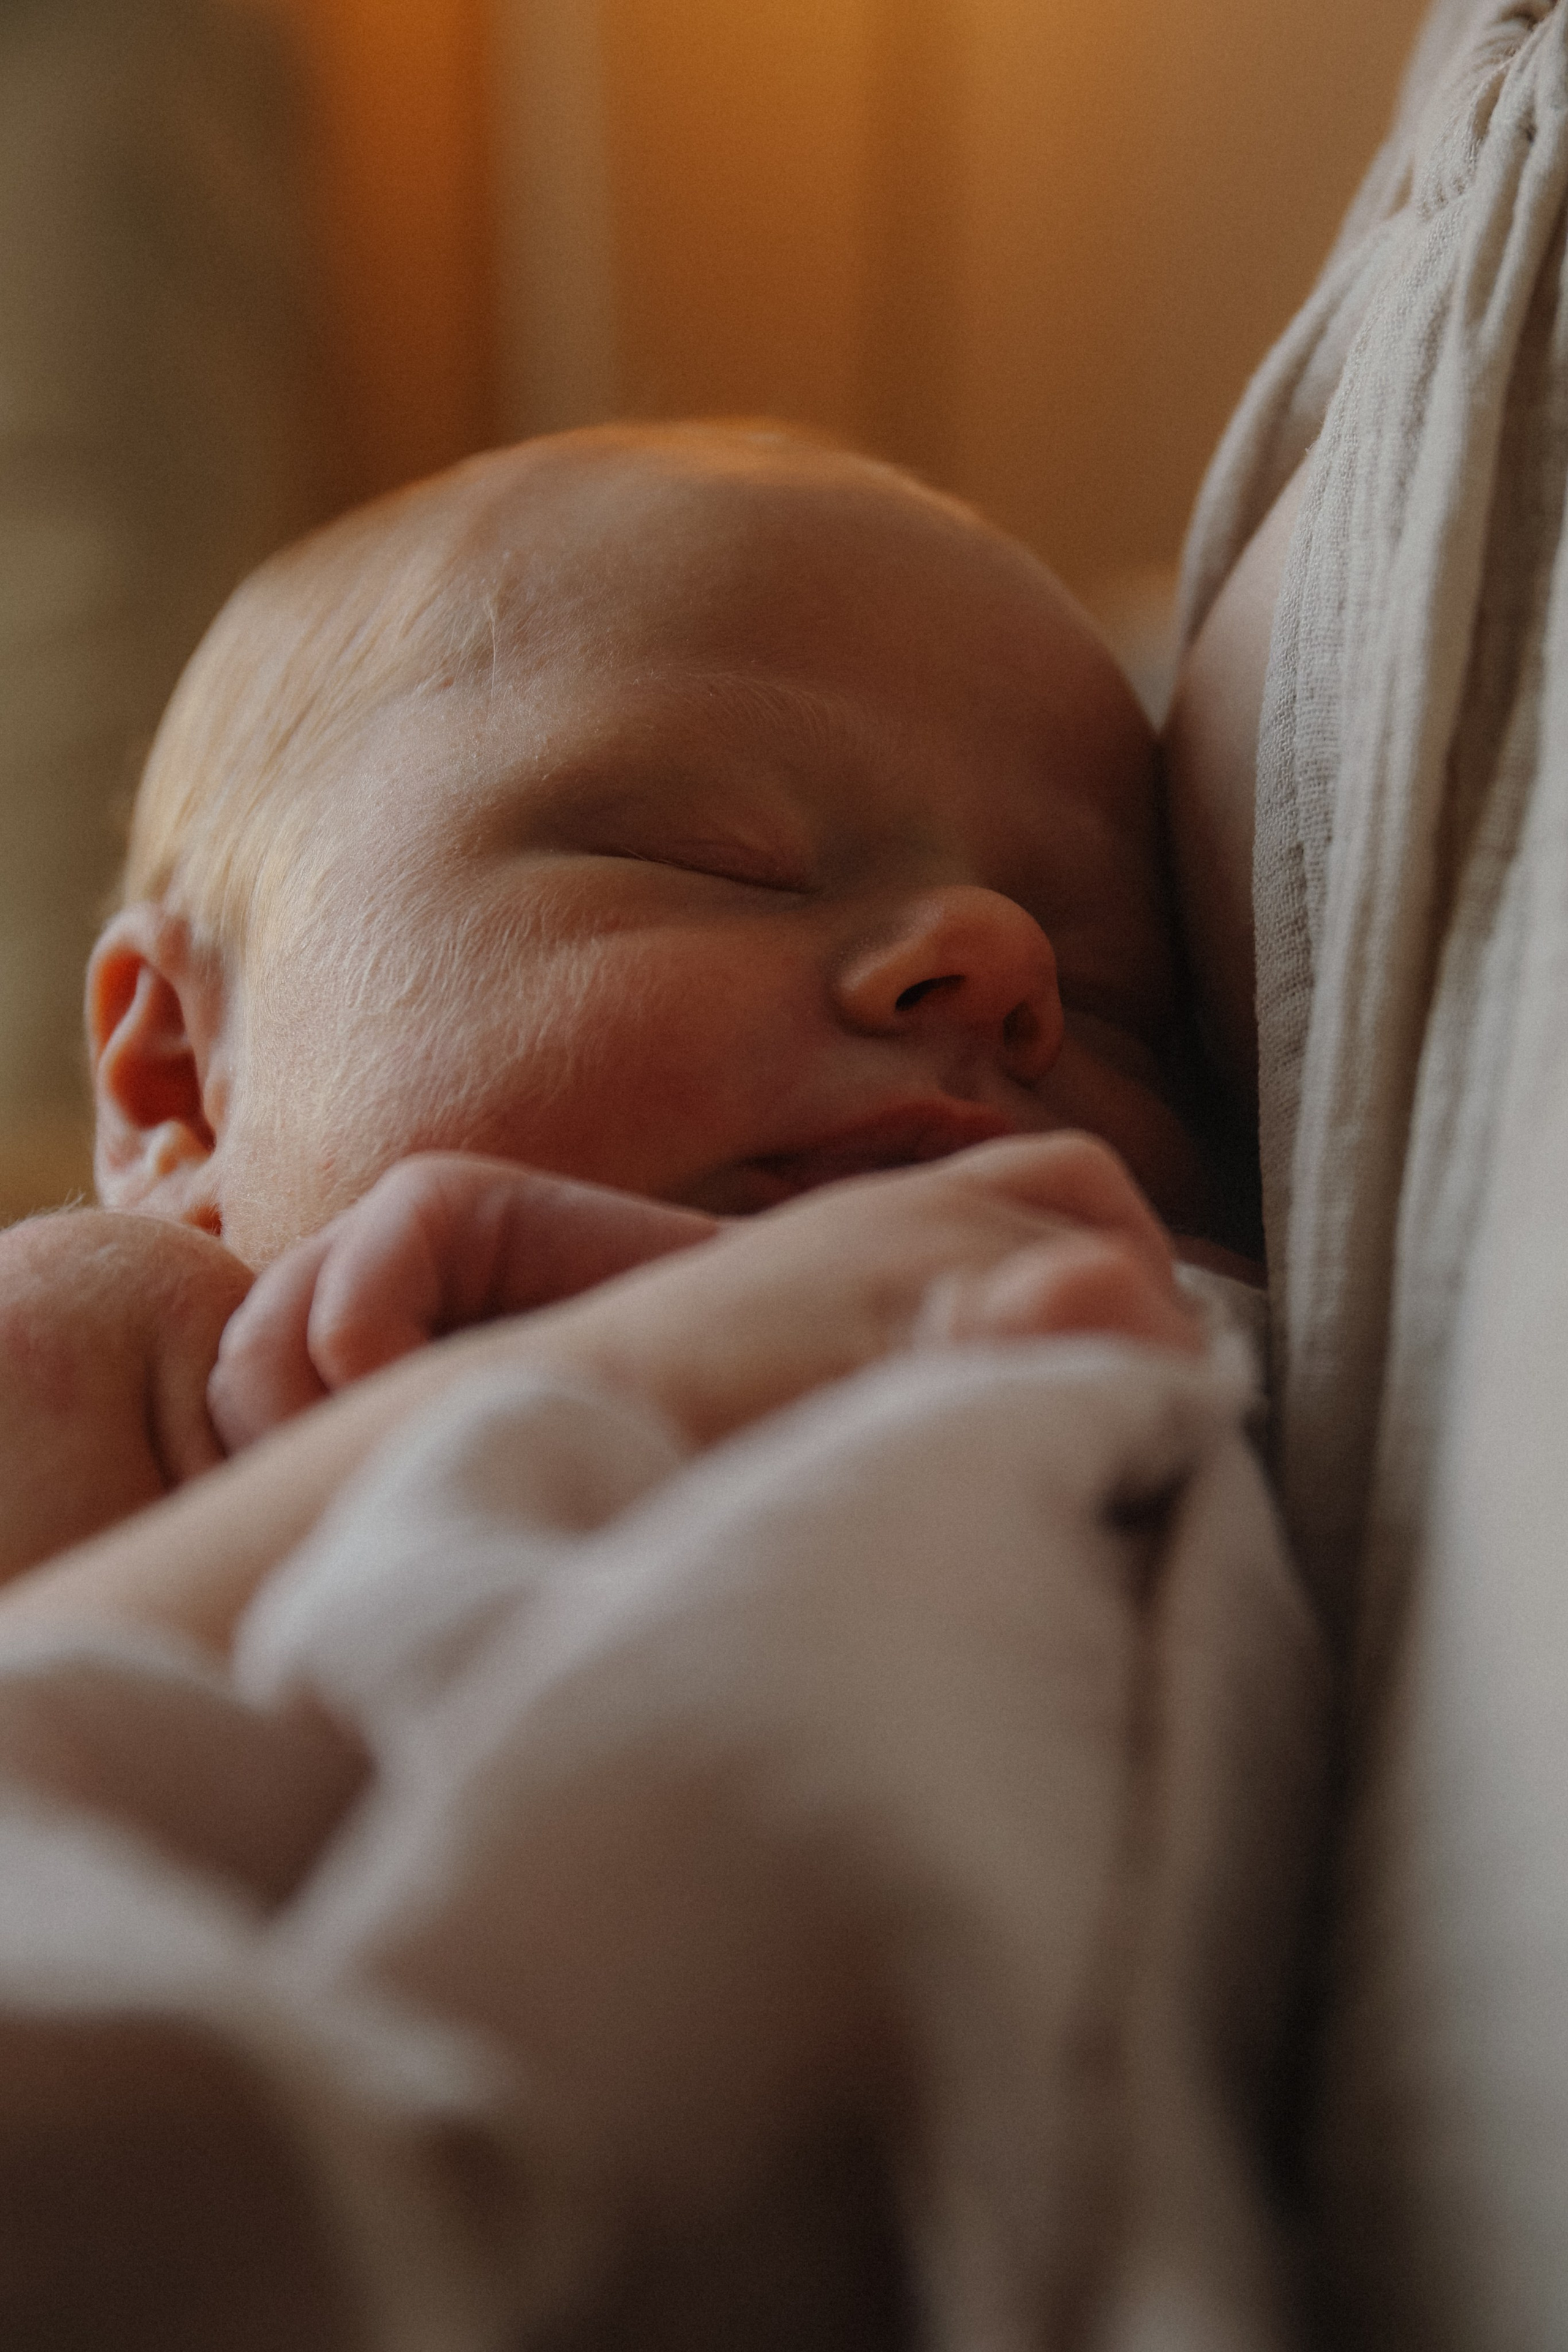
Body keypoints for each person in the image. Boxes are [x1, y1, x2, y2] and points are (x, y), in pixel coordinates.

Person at [0, 418, 1253, 1625]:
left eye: (1111, 1000)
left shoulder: (1171, 1347)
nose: (996, 949)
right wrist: (621, 1379)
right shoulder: (113, 1361)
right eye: (719, 860)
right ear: (180, 1081)